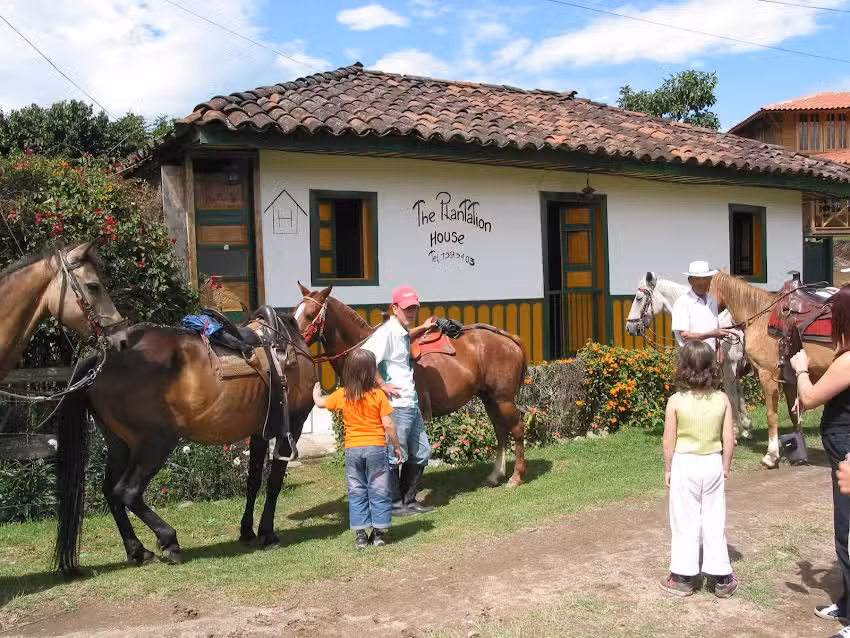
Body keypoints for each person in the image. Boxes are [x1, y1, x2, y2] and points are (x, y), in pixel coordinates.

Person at [791, 284, 850, 638]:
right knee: (843, 529)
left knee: (849, 533)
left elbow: (811, 396)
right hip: (840, 455)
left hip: (847, 456)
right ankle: (846, 602)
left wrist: (801, 370)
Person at [659, 340, 738, 598]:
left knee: (684, 519)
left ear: (683, 367)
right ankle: (722, 577)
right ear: (712, 367)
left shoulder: (676, 401)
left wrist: (668, 468)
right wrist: (725, 466)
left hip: (685, 463)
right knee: (715, 518)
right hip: (713, 462)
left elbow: (668, 439)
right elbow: (729, 438)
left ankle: (683, 576)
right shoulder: (722, 399)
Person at [313, 349, 404, 550]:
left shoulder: (343, 395)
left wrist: (315, 393)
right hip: (376, 449)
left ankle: (361, 535)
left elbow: (320, 403)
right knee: (379, 489)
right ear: (371, 372)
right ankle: (379, 534)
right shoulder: (378, 395)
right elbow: (388, 424)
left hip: (353, 449)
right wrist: (397, 447)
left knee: (356, 490)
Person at [361, 285, 437, 517]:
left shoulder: (401, 330)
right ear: (394, 308)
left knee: (422, 451)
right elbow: (365, 359)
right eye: (406, 308)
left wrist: (423, 328)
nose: (411, 312)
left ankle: (408, 500)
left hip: (410, 404)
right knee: (394, 456)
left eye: (414, 307)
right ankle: (394, 504)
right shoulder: (387, 332)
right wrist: (382, 384)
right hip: (396, 406)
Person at [671, 260, 733, 359]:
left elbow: (715, 329)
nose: (702, 283)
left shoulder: (712, 300)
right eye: (697, 279)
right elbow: (685, 336)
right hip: (692, 357)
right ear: (690, 280)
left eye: (705, 279)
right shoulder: (682, 302)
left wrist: (719, 347)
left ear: (710, 280)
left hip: (711, 357)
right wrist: (712, 334)